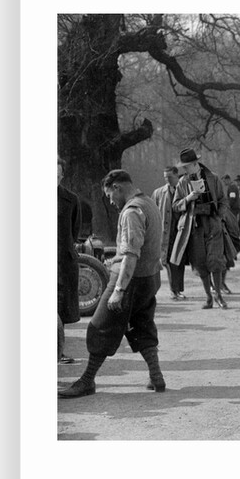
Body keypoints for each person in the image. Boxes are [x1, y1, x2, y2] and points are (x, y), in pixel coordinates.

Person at [58, 170, 165, 398]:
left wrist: (118, 290)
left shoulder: (131, 212)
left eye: (109, 196)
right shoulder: (149, 204)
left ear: (117, 187)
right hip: (149, 279)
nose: (111, 201)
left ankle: (87, 380)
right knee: (142, 324)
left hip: (128, 281)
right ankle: (156, 376)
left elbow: (131, 255)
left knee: (99, 327)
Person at [170, 148, 234, 309]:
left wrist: (219, 217)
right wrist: (188, 198)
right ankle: (208, 297)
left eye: (186, 166)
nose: (184, 170)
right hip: (193, 227)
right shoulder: (183, 182)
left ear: (194, 164)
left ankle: (218, 295)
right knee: (200, 262)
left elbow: (223, 200)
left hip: (213, 224)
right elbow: (175, 206)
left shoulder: (213, 178)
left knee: (216, 260)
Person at [57, 158, 80, 364]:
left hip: (62, 260)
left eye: (57, 176)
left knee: (60, 306)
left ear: (62, 176)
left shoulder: (70, 199)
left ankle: (58, 351)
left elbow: (74, 231)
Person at [152, 166, 187, 301]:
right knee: (169, 263)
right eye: (165, 177)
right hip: (166, 233)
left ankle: (178, 290)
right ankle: (174, 291)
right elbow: (153, 212)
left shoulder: (184, 190)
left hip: (181, 231)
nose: (167, 180)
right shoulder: (158, 193)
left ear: (177, 176)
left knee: (180, 261)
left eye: (170, 177)